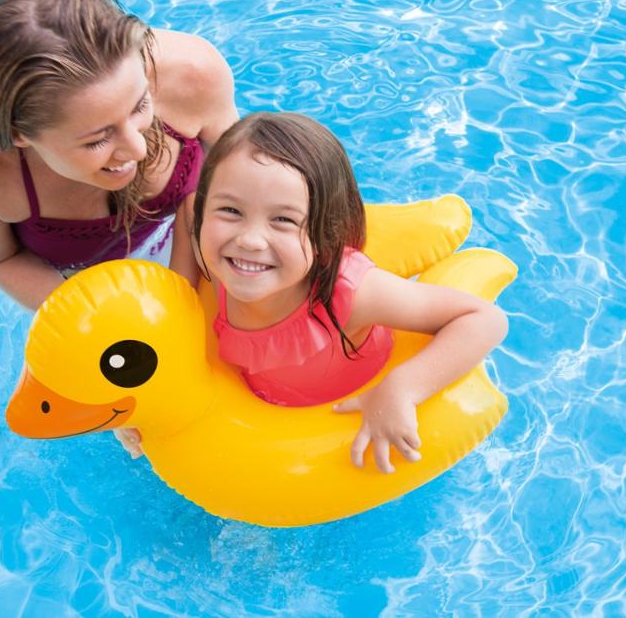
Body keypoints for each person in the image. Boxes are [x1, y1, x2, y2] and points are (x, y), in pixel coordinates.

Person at [0, 0, 238, 456]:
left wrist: (193, 295)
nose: (135, 146)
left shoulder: (191, 73)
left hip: (200, 236)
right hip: (86, 287)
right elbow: (2, 262)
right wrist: (116, 339)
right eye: (97, 139)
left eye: (141, 105)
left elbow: (240, 186)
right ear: (18, 134)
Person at [191, 112, 509, 474]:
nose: (248, 239)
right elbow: (188, 209)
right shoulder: (212, 262)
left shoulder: (351, 294)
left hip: (352, 408)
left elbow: (484, 319)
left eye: (284, 220)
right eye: (230, 210)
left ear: (326, 234)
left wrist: (401, 389)